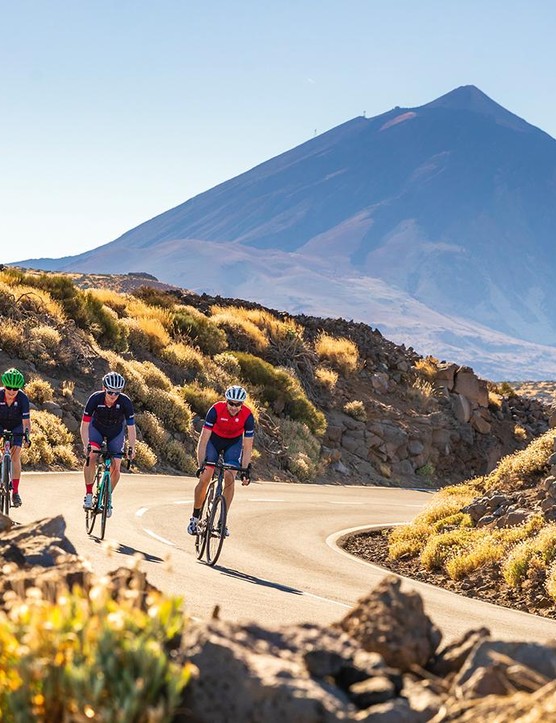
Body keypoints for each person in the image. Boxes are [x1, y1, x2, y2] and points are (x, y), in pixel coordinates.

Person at [188, 385, 254, 537]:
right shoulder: (216, 410)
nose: (233, 407)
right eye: (231, 403)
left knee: (230, 477)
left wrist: (245, 470)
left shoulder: (247, 416)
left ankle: (221, 522)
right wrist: (201, 465)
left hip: (233, 443)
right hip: (213, 442)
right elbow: (203, 440)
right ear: (226, 401)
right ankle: (195, 518)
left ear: (242, 404)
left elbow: (248, 446)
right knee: (206, 476)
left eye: (238, 404)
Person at [80, 371, 136, 517]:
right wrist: (86, 445)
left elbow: (131, 428)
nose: (113, 395)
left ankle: (107, 496)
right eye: (110, 391)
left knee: (116, 468)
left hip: (115, 432)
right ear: (104, 388)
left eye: (116, 393)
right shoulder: (95, 399)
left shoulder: (125, 402)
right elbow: (84, 425)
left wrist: (132, 448)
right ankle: (88, 494)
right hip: (96, 429)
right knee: (92, 455)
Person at [0, 368, 31, 507]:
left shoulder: (23, 398)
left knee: (15, 455)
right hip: (1, 423)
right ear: (4, 386)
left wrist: (27, 437)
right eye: (9, 388)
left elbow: (26, 422)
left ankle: (16, 492)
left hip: (17, 426)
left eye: (15, 389)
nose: (12, 391)